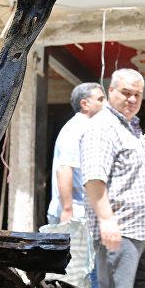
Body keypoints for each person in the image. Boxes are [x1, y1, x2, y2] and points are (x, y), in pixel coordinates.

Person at [80, 68, 145, 288]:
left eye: (137, 95)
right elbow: (94, 178)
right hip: (121, 225)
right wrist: (107, 221)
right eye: (126, 93)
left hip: (142, 227)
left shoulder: (130, 127)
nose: (132, 99)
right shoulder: (102, 126)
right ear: (111, 92)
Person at [47, 82, 106, 224]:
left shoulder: (90, 128)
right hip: (74, 213)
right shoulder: (76, 129)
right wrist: (67, 211)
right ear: (85, 104)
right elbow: (64, 169)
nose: (106, 104)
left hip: (83, 211)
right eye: (100, 99)